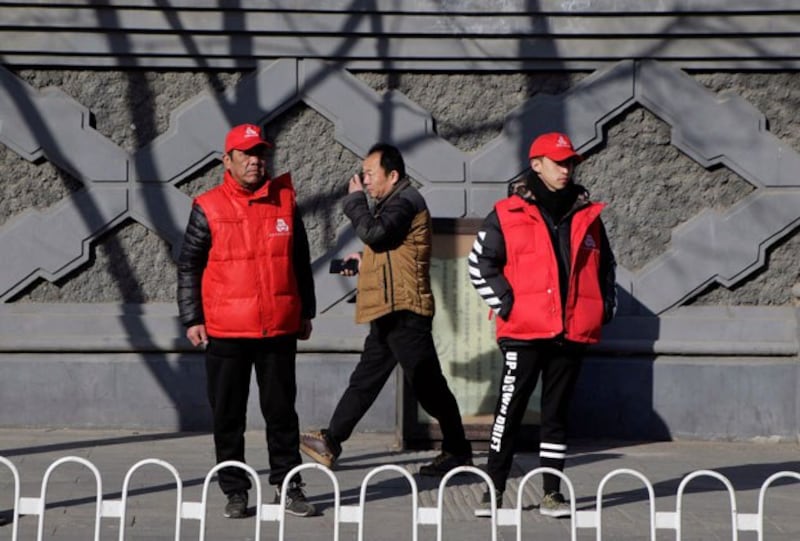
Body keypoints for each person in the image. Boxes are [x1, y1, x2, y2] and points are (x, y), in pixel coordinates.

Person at [299, 143, 472, 475]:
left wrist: (353, 202)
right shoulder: (394, 203)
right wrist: (364, 262)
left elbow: (376, 234)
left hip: (405, 311)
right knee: (365, 380)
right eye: (363, 175)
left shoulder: (407, 201)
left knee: (428, 385)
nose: (364, 181)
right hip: (389, 309)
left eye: (369, 174)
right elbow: (393, 250)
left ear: (393, 175)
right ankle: (331, 441)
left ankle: (457, 449)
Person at [468, 132, 616, 517]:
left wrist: (603, 308)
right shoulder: (506, 212)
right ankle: (493, 489)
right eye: (558, 162)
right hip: (524, 332)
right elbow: (479, 264)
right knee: (509, 411)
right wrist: (508, 305)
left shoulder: (588, 215)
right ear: (536, 165)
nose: (566, 169)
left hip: (571, 331)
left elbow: (605, 268)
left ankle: (553, 492)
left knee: (557, 414)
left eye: (570, 163)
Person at [177, 123, 316, 519]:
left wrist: (306, 310)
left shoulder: (285, 203)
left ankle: (289, 486)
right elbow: (188, 265)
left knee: (282, 414)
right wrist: (192, 317)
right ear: (229, 160)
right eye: (246, 154)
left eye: (261, 154)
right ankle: (235, 490)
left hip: (277, 328)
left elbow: (299, 261)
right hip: (225, 330)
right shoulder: (208, 206)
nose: (256, 161)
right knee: (228, 416)